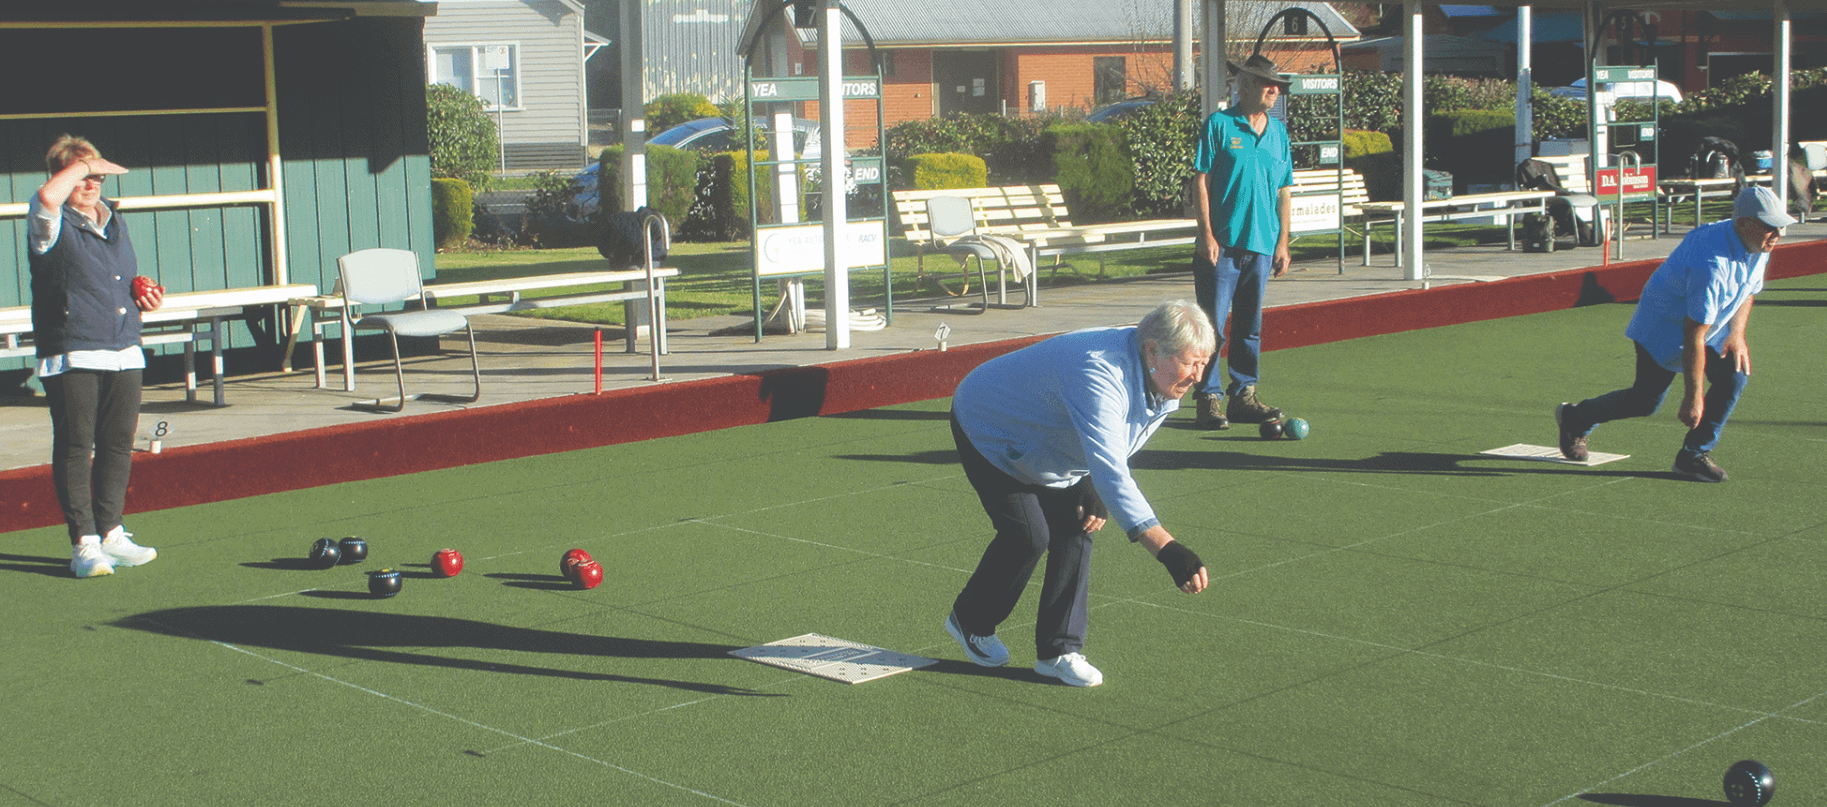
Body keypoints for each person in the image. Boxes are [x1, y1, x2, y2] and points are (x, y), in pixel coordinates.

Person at [943, 300, 1214, 687]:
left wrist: (1091, 480)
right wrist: (1167, 549)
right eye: (1191, 363)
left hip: (1052, 439)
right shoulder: (1098, 370)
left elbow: (1120, 442)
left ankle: (1058, 651)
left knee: (1079, 524)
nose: (1197, 377)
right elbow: (1110, 463)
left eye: (1204, 363)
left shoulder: (1164, 376)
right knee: (1028, 535)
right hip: (990, 425)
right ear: (1152, 349)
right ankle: (970, 618)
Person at [1554, 185, 1792, 482]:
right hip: (1664, 326)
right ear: (1744, 223)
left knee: (1734, 374)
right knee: (1645, 401)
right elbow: (1693, 333)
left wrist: (1737, 334)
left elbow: (1748, 290)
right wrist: (1694, 398)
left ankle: (1692, 456)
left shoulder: (1758, 244)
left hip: (1708, 324)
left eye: (1780, 226)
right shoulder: (1711, 263)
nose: (1778, 234)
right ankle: (1576, 418)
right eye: (1770, 227)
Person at [29, 135, 163, 577]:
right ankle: (84, 544)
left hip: (123, 345)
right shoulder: (49, 220)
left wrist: (142, 294)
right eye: (84, 175)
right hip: (74, 347)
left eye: (98, 175)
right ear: (64, 175)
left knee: (118, 444)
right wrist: (81, 166)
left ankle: (111, 533)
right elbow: (49, 195)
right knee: (74, 445)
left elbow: (112, 278)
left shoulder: (114, 220)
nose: (93, 182)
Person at [1188, 53, 1294, 430]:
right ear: (1245, 85)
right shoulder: (1219, 125)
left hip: (1262, 246)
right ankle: (1208, 398)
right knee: (1211, 328)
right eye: (1267, 84)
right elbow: (1200, 179)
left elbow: (1284, 191)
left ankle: (1243, 396)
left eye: (1277, 86)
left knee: (1249, 326)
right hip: (1222, 246)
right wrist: (1206, 234)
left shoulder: (1278, 133)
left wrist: (1282, 243)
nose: (1274, 90)